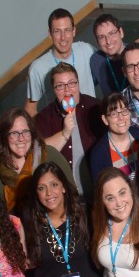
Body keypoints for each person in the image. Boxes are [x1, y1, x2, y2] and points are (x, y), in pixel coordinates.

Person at [34, 62, 104, 196]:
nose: (67, 90)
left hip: (99, 191)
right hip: (67, 197)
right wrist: (64, 133)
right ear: (53, 90)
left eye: (72, 83)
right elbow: (38, 156)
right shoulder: (43, 118)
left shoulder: (96, 107)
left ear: (78, 84)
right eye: (60, 86)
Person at [0, 108, 72, 213]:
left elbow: (72, 194)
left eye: (25, 132)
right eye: (14, 133)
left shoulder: (49, 155)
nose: (21, 138)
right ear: (4, 137)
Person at [24, 8, 96, 117]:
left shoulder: (86, 50)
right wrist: (43, 130)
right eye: (57, 31)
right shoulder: (38, 67)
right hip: (61, 127)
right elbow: (30, 108)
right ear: (50, 34)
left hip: (91, 120)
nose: (63, 38)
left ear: (74, 31)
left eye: (67, 30)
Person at [91, 13, 139, 96]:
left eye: (111, 33)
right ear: (97, 41)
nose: (108, 41)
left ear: (121, 32)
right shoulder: (96, 60)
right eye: (101, 37)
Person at [88, 93, 139, 181]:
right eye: (114, 114)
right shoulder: (98, 155)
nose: (121, 118)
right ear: (105, 120)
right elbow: (100, 191)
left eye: (124, 111)